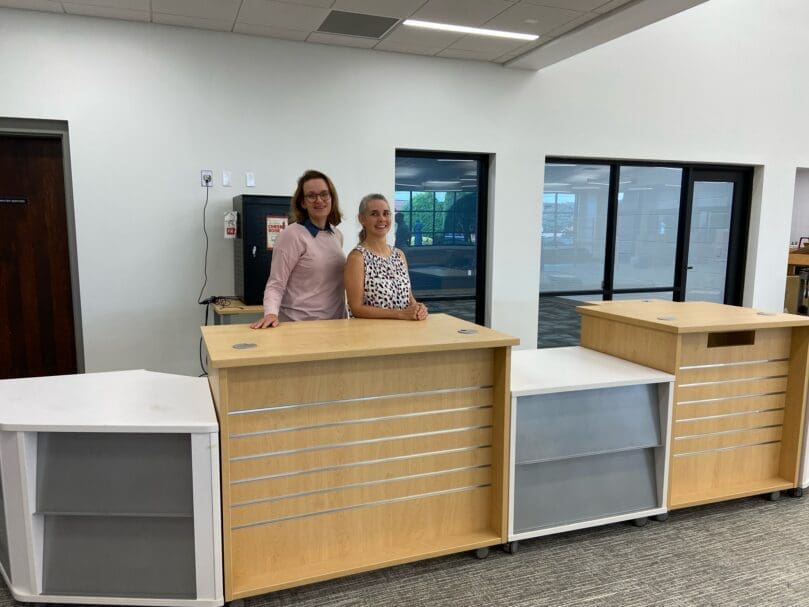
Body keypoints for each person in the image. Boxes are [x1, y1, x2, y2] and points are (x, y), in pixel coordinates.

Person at [251, 170, 346, 329]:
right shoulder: (291, 235)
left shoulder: (336, 235)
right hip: (300, 326)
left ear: (332, 198)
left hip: (336, 324)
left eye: (324, 194)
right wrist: (271, 313)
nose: (319, 200)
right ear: (303, 202)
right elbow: (276, 283)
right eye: (311, 196)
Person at [345, 193, 428, 321]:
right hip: (372, 335)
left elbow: (409, 297)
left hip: (405, 334)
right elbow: (356, 308)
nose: (381, 219)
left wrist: (418, 308)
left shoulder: (399, 255)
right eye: (374, 214)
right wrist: (400, 314)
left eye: (386, 213)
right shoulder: (357, 258)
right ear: (362, 219)